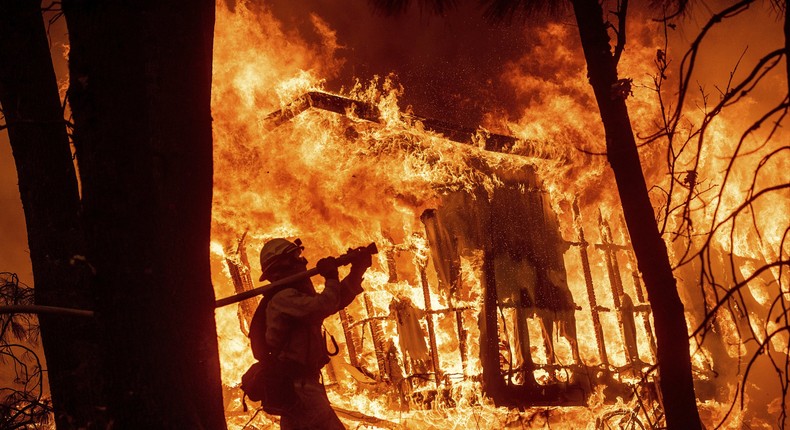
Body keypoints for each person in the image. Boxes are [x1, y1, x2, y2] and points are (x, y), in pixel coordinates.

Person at [248, 238, 370, 429]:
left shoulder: (293, 296)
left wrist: (357, 272)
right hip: (299, 387)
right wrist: (331, 276)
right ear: (284, 264)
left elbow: (334, 301)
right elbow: (324, 305)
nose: (303, 261)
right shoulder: (283, 298)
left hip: (299, 386)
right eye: (297, 256)